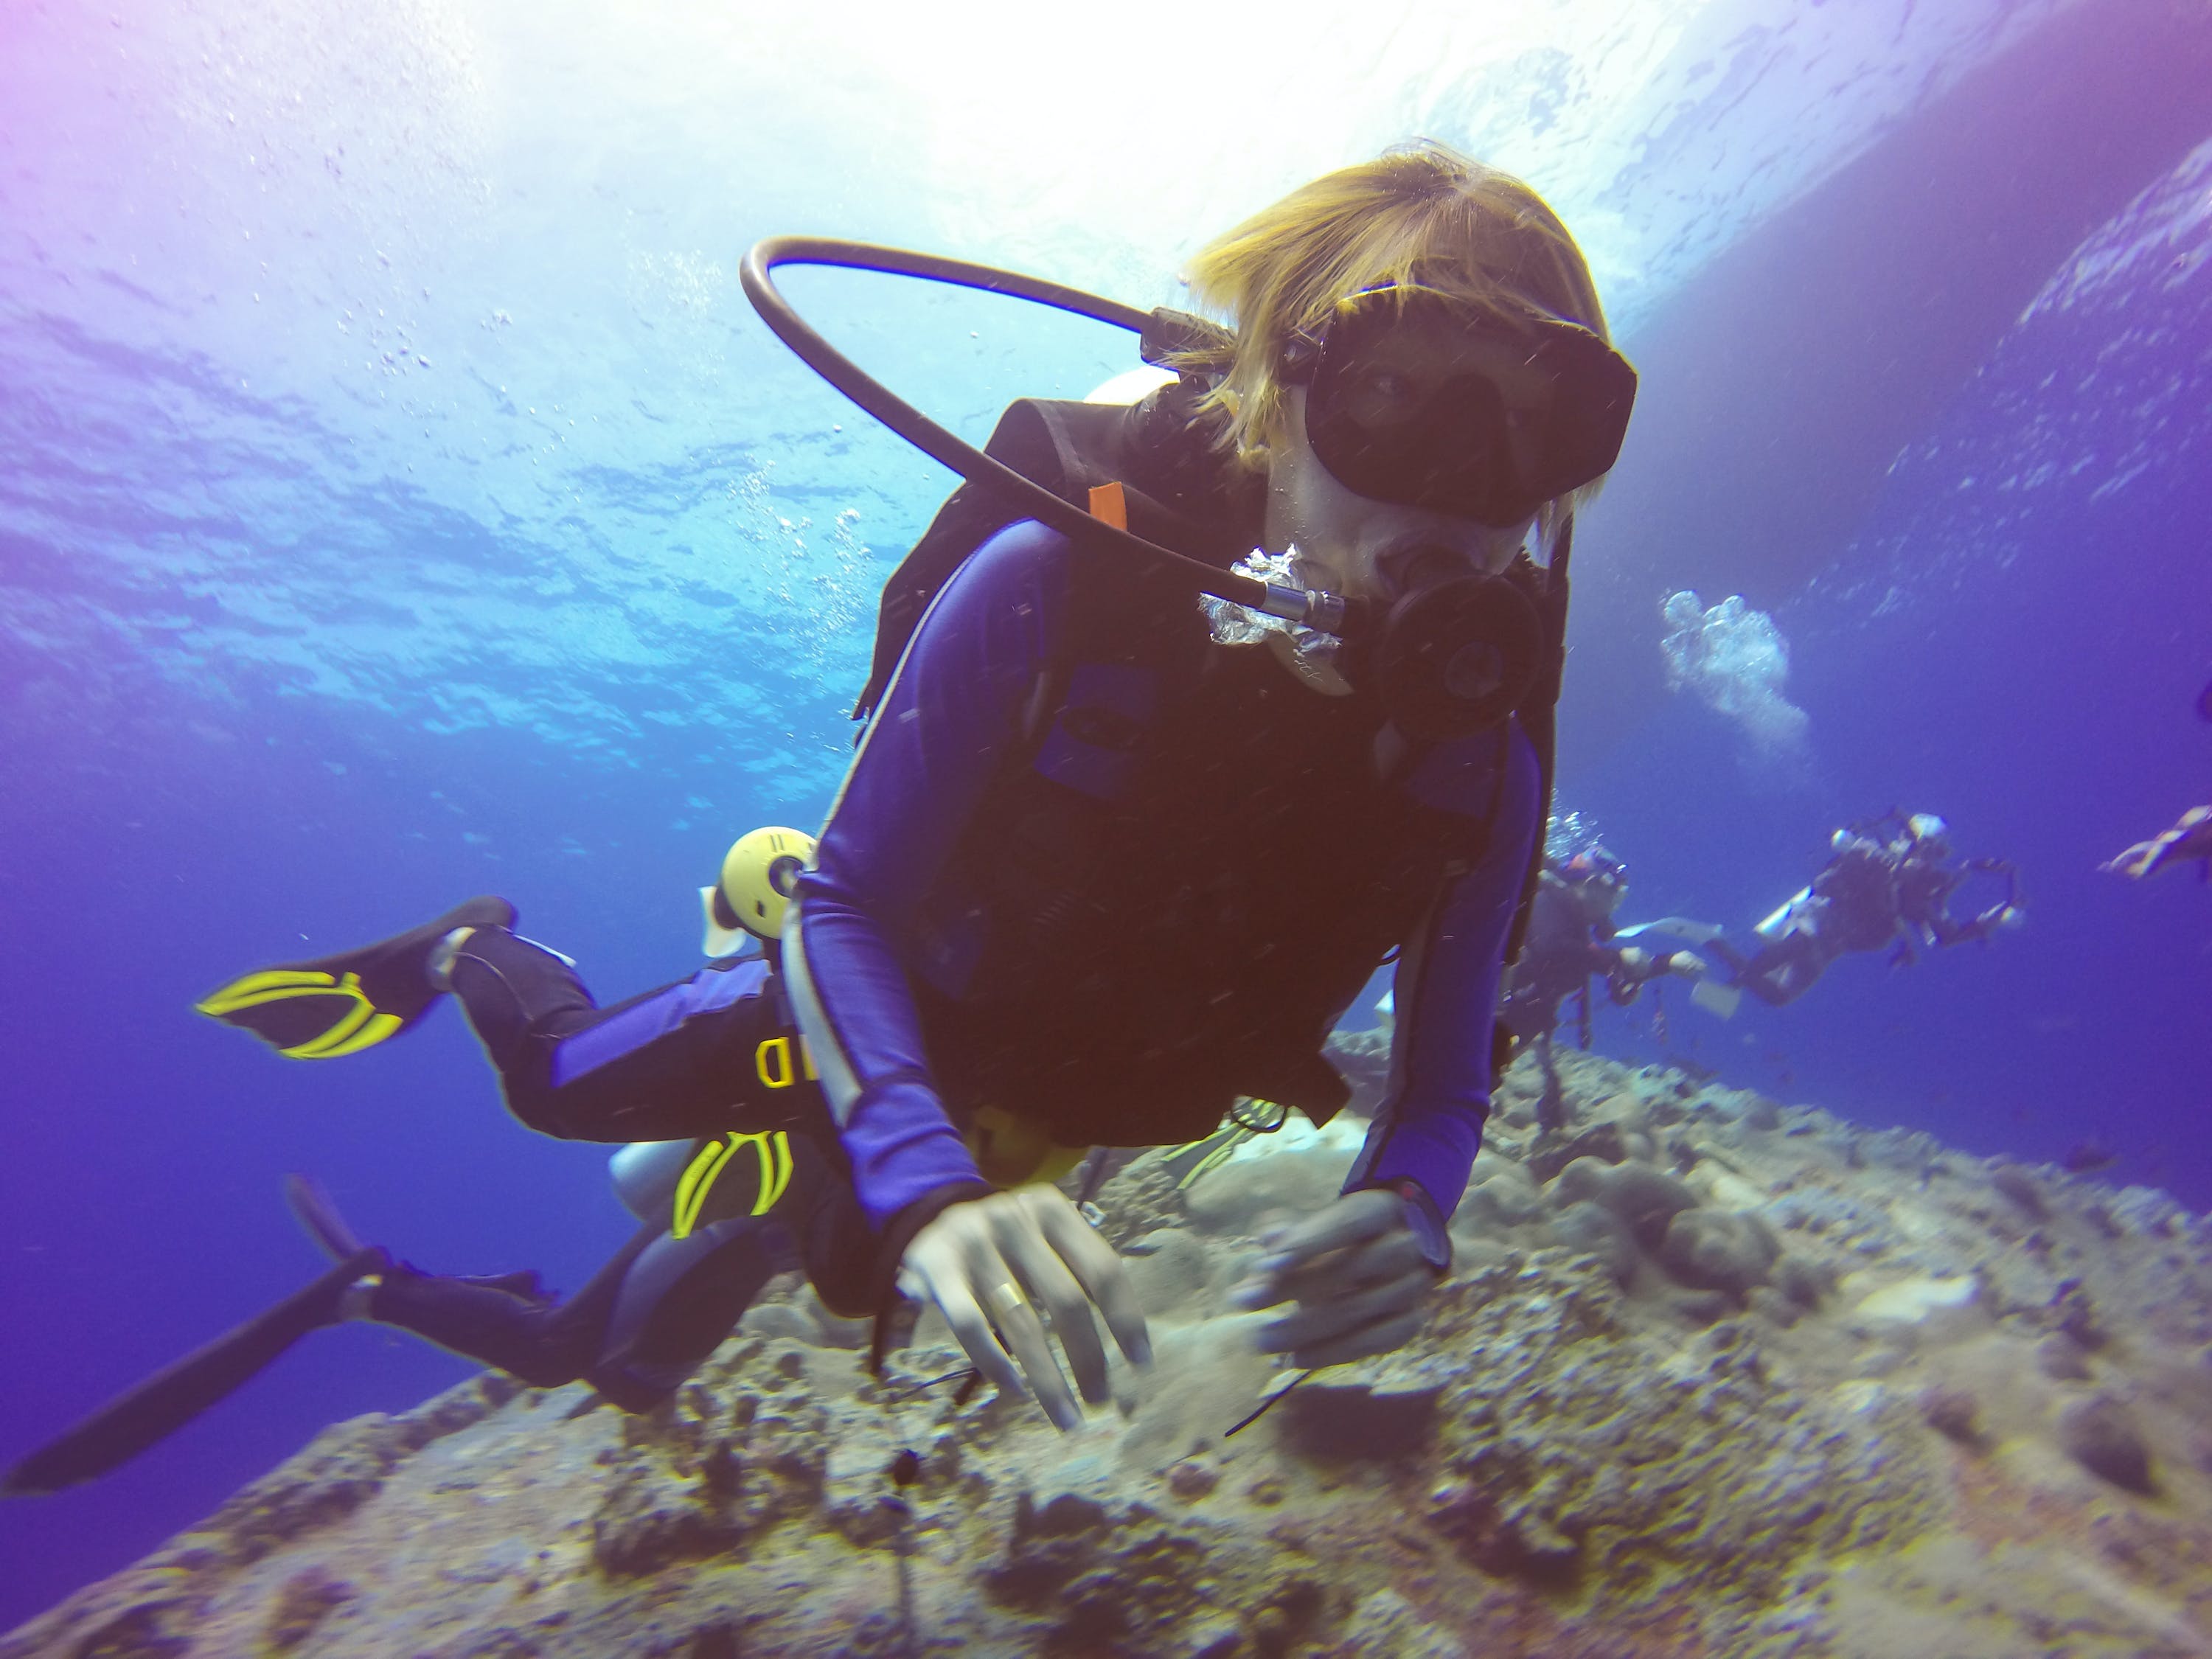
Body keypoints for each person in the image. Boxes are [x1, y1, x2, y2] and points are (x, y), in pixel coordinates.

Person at [192, 142, 1638, 1435]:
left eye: (1537, 428)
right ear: (1276, 392)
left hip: (1077, 1091)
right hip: (899, 1010)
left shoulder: (1478, 760)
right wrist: (925, 1177)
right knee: (559, 1093)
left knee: (820, 1277)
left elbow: (1446, 1078)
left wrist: (1413, 1209)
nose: (1456, 483)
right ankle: (468, 944)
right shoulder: (1057, 584)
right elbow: (852, 905)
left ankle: (775, 1200)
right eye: (1393, 395)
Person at [4, 840, 858, 1494]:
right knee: (549, 1096)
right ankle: (467, 949)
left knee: (630, 1381)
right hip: (757, 1182)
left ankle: (468, 1293)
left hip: (774, 1210)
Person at [1498, 846, 1715, 1129]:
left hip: (1501, 1034)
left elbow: (1599, 962)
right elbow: (1553, 949)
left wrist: (1668, 963)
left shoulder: (1573, 926)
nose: (1614, 907)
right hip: (1477, 1021)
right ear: (1591, 885)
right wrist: (1618, 957)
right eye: (1614, 897)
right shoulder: (1546, 902)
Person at [1717, 811, 2023, 1008]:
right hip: (1817, 918)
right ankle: (1733, 983)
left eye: (1934, 854)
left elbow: (1945, 935)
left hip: (1835, 945)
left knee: (1780, 997)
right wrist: (1870, 864)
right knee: (1799, 943)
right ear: (1905, 840)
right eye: (1924, 848)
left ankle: (1716, 946)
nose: (1927, 860)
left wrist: (1983, 924)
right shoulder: (1871, 857)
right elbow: (1828, 881)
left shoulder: (1919, 895)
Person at [2101, 804, 2212, 881]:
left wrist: (2205, 869)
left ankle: (2114, 868)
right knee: (2143, 869)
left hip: (2179, 849)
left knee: (2144, 870)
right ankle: (2112, 868)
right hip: (2169, 846)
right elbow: (2170, 838)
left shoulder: (2202, 818)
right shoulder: (2201, 817)